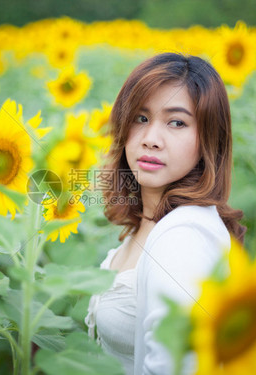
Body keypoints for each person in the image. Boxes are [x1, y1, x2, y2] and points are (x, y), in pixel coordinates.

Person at [85, 52, 245, 375]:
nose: (151, 140)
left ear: (208, 139)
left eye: (177, 122)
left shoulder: (181, 239)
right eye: (141, 118)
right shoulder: (150, 222)